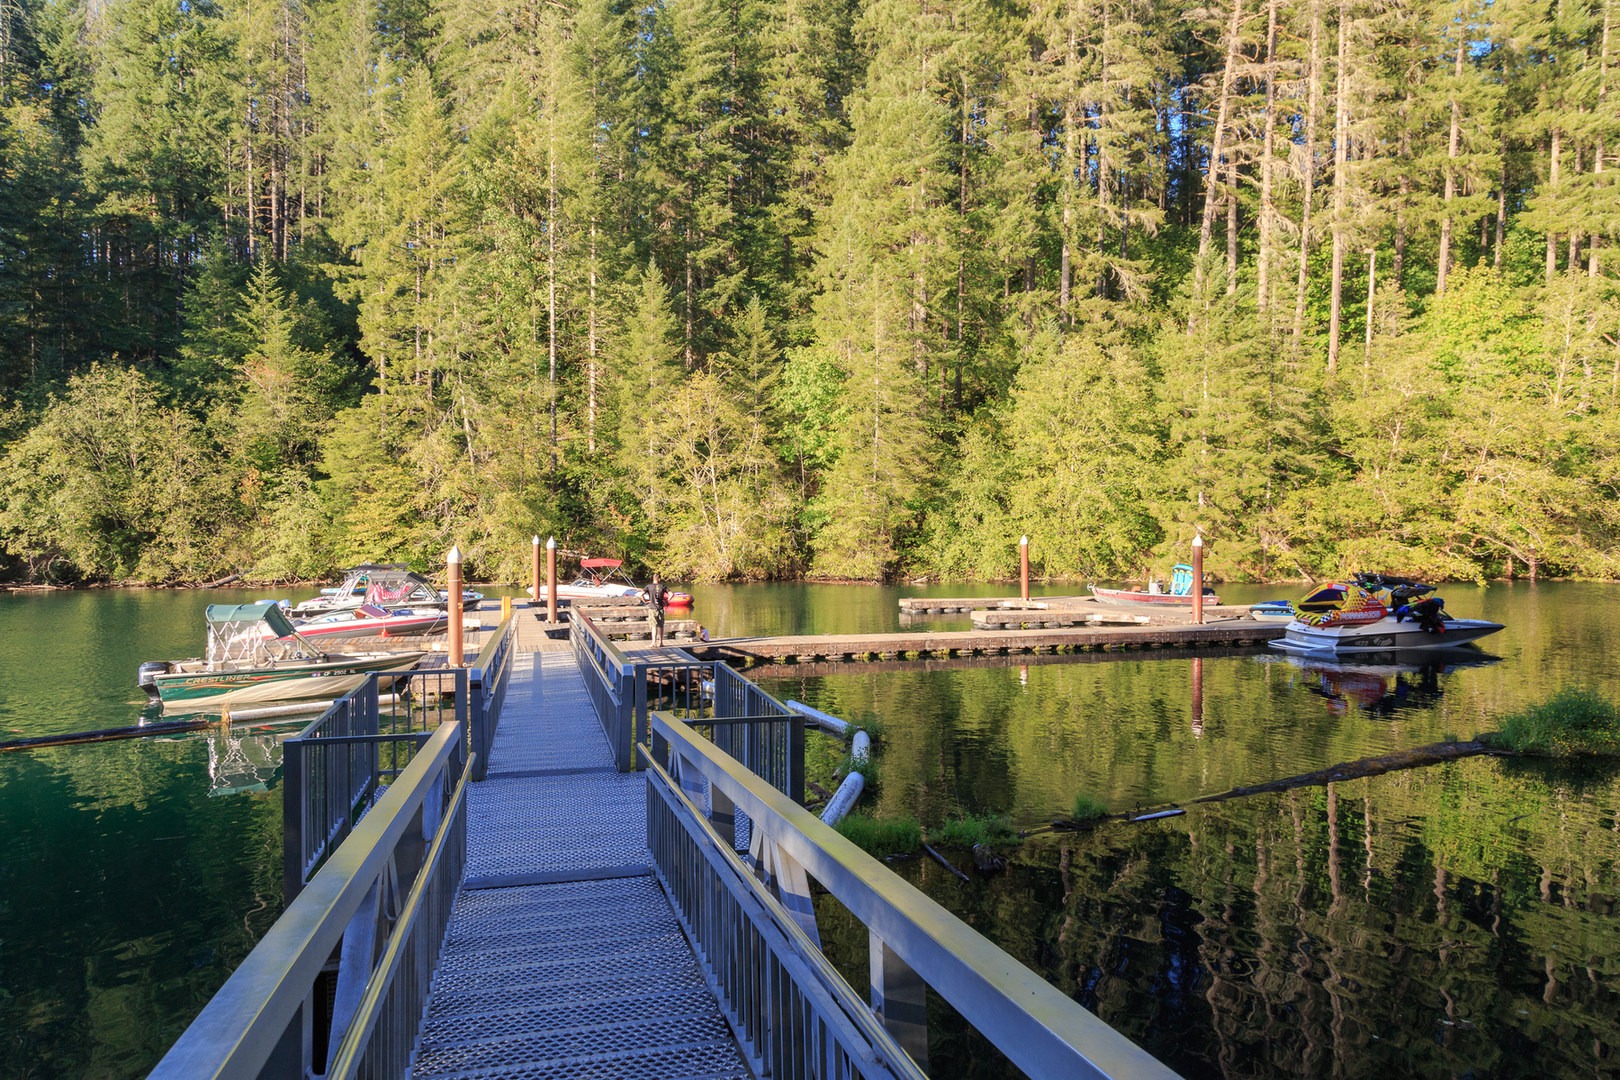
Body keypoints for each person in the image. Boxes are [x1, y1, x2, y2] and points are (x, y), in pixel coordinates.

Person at [645, 572, 668, 647]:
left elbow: (641, 594)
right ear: (659, 579)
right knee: (661, 625)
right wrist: (666, 601)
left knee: (653, 626)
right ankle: (661, 643)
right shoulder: (662, 586)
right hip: (660, 608)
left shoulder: (648, 586)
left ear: (653, 579)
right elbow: (671, 594)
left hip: (652, 608)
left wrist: (645, 601)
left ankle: (653, 642)